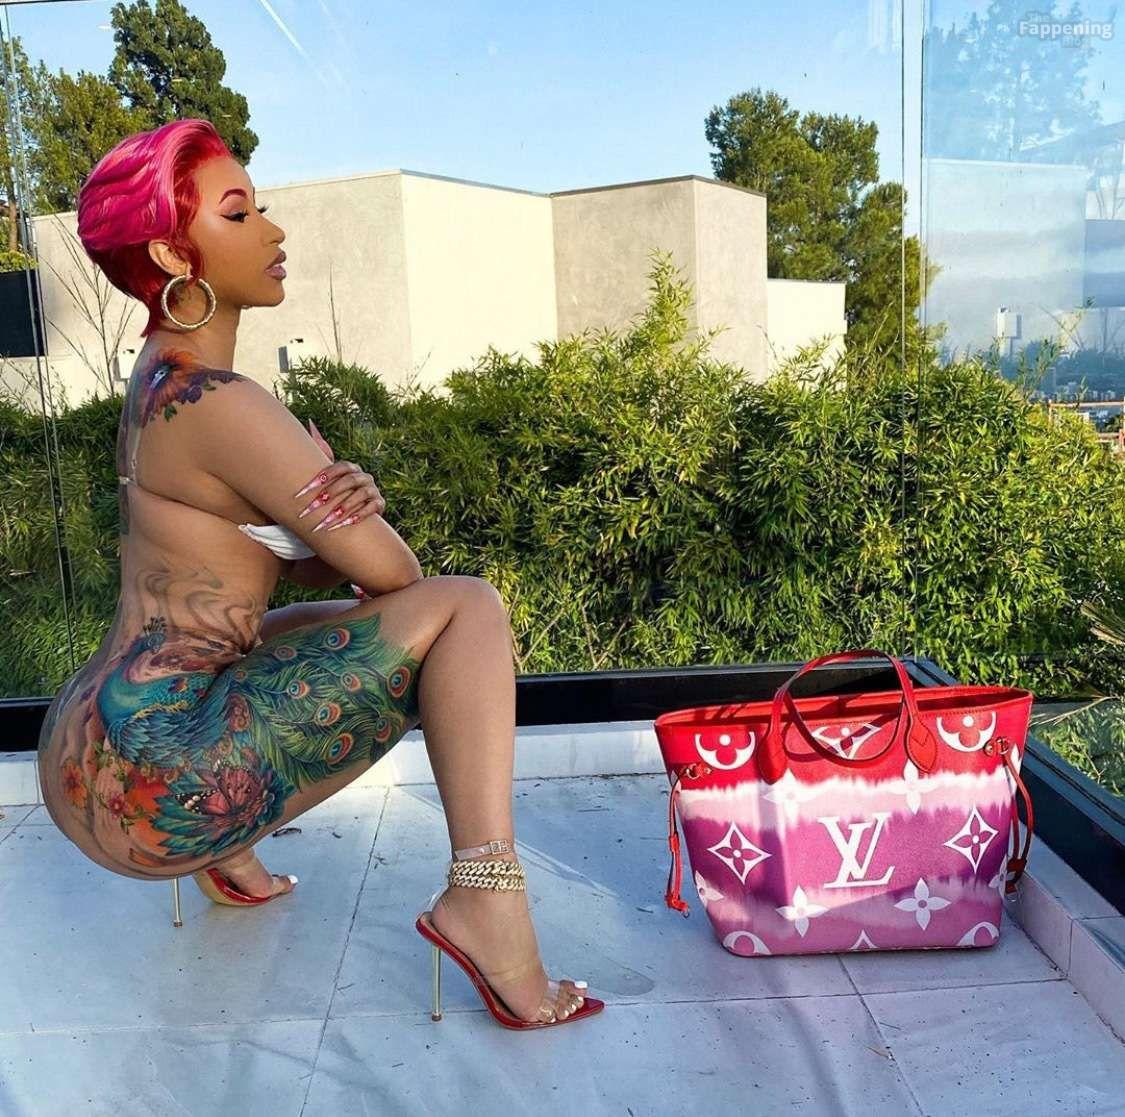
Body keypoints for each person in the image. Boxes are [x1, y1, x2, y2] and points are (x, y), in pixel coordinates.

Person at [36, 117, 601, 1029]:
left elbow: (255, 574)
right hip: (161, 792)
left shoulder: (156, 378)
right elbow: (398, 576)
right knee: (466, 610)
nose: (273, 229)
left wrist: (308, 527)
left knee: (300, 627)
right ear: (172, 254)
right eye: (237, 214)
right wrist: (344, 499)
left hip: (83, 751)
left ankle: (232, 857)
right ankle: (485, 896)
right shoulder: (224, 403)